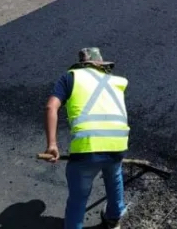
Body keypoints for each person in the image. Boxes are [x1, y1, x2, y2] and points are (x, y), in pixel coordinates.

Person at [45, 48, 130, 229]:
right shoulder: (116, 81)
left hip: (87, 147)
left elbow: (51, 107)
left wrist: (52, 144)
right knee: (114, 176)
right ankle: (115, 217)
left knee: (78, 197)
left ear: (82, 64)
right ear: (101, 65)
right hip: (118, 144)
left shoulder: (71, 77)